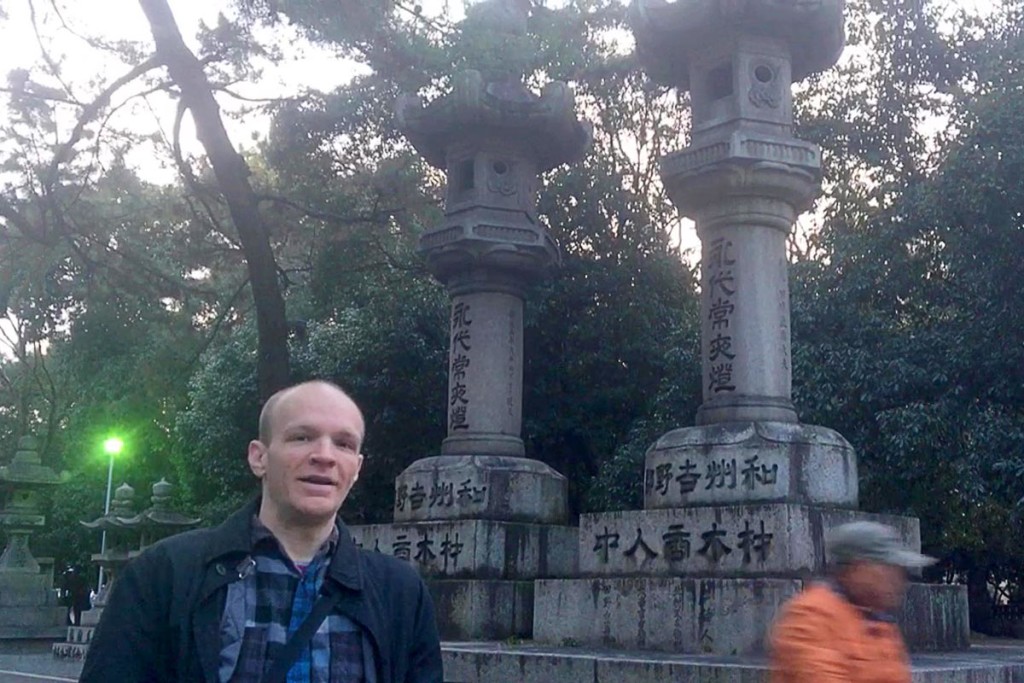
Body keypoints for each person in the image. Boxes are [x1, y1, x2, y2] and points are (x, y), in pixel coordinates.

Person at [81, 380, 443, 683]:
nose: (325, 455)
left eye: (344, 444)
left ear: (357, 468)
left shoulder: (399, 592)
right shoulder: (167, 575)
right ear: (259, 457)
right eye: (302, 437)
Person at [768, 520, 935, 683]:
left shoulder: (880, 622)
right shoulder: (810, 617)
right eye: (889, 568)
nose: (898, 578)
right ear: (858, 568)